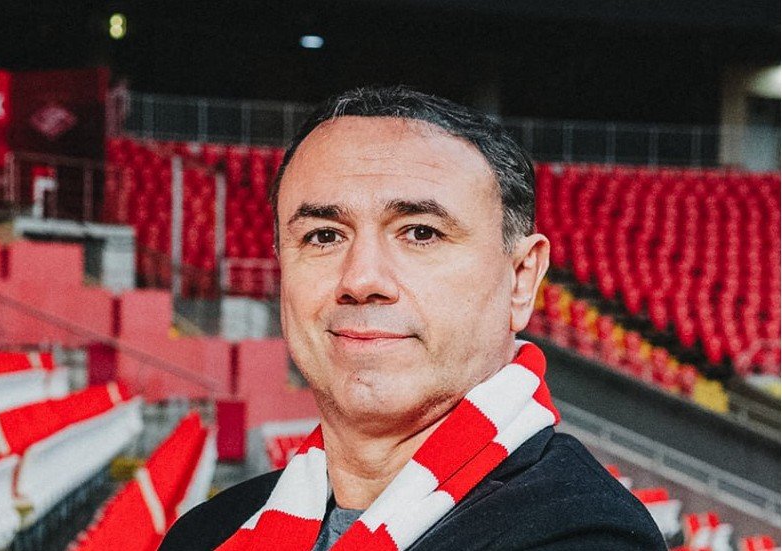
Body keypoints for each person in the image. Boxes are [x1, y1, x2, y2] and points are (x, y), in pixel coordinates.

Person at [159, 86, 666, 550]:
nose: (361, 279)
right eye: (324, 236)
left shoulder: (588, 536)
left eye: (421, 232)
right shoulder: (206, 534)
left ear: (520, 278)